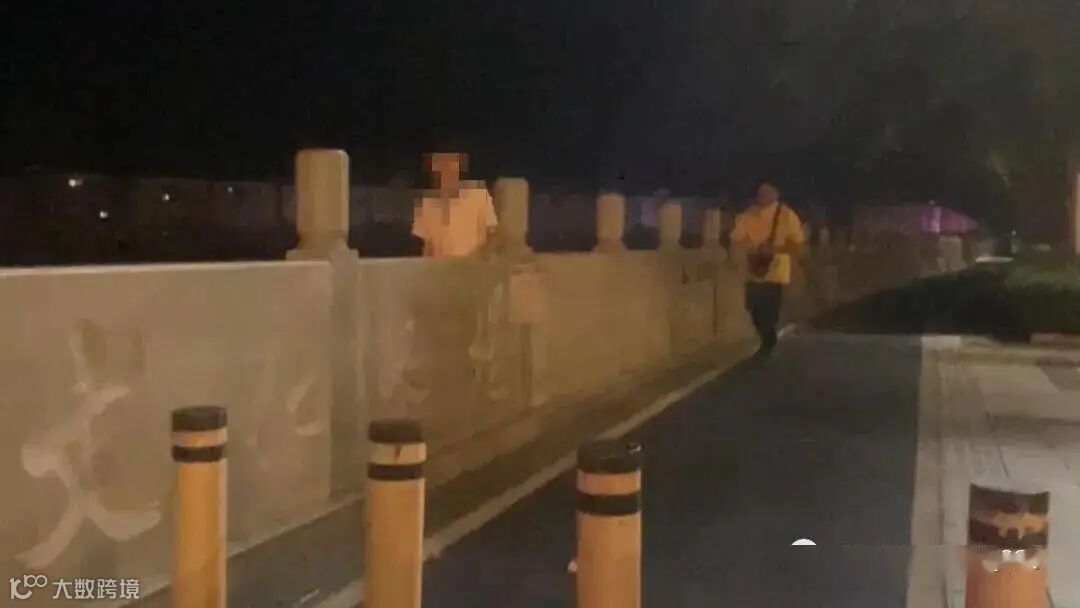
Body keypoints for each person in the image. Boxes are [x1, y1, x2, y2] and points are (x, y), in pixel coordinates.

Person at [730, 180, 805, 358]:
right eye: (760, 192)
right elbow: (736, 238)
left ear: (776, 194)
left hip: (775, 271)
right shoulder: (749, 214)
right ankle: (767, 337)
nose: (762, 195)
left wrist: (775, 249)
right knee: (752, 306)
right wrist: (745, 249)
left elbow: (797, 244)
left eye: (766, 192)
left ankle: (768, 341)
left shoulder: (786, 215)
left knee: (769, 308)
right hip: (753, 268)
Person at [411, 152, 498, 258]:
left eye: (451, 164)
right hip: (441, 265)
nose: (446, 169)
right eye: (440, 164)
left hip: (474, 264)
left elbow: (493, 235)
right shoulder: (426, 203)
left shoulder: (478, 194)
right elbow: (427, 246)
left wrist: (479, 258)